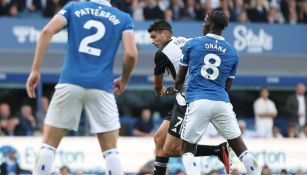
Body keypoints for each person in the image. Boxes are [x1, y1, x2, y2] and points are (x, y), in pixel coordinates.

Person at [25, 0, 138, 174]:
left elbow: (47, 31)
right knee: (111, 152)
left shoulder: (73, 8)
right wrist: (124, 79)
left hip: (70, 82)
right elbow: (130, 54)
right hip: (102, 86)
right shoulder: (123, 18)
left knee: (48, 146)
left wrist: (35, 70)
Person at [175, 10, 260, 175]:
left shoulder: (192, 44)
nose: (203, 23)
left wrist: (177, 90)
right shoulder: (233, 52)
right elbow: (228, 86)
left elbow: (179, 80)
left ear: (211, 25)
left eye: (205, 20)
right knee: (241, 150)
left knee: (186, 150)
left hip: (198, 101)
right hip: (222, 102)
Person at [147, 20, 231, 175]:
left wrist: (166, 92)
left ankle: (218, 149)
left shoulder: (161, 54)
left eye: (154, 37)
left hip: (188, 100)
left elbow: (158, 88)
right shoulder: (187, 40)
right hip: (186, 96)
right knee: (159, 139)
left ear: (165, 33)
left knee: (170, 149)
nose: (153, 41)